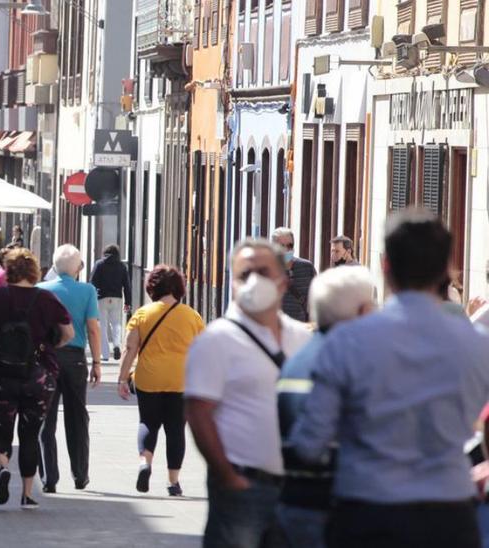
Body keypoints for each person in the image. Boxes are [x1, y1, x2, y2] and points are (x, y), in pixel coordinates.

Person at [290, 210, 489, 548]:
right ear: (445, 269)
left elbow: (310, 443)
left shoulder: (347, 342)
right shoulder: (478, 344)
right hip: (450, 511)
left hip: (368, 508)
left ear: (384, 266)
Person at [185, 238, 313, 548]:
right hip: (242, 487)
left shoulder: (303, 339)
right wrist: (227, 475)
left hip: (295, 491)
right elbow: (198, 411)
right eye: (245, 274)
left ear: (283, 281)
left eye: (264, 272)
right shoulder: (216, 340)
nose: (254, 281)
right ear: (232, 283)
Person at [271, 265, 374, 548]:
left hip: (291, 502)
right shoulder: (345, 363)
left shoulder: (297, 360)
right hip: (329, 507)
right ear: (364, 311)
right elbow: (312, 443)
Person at [0, 248, 73, 508]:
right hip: (38, 376)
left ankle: (3, 465)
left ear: (9, 270)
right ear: (34, 271)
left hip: (0, 374)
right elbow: (68, 332)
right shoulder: (46, 299)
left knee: (0, 429)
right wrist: (52, 345)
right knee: (30, 435)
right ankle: (28, 494)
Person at [114, 265, 205, 496]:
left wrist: (122, 379)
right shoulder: (192, 316)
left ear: (152, 287)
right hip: (181, 380)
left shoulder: (143, 314)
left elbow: (130, 348)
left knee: (148, 423)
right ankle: (173, 482)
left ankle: (145, 462)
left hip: (148, 378)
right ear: (179, 287)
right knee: (176, 429)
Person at [36, 244, 102, 491]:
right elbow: (93, 328)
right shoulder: (87, 291)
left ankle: (49, 478)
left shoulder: (41, 290)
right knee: (77, 417)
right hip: (75, 359)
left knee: (46, 418)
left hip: (47, 358)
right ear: (78, 268)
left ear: (54, 266)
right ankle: (80, 474)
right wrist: (96, 362)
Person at [91, 244, 133, 361]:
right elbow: (127, 285)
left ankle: (105, 354)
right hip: (117, 298)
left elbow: (92, 282)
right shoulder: (122, 266)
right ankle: (116, 345)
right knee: (116, 324)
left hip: (102, 298)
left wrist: (92, 298)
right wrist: (128, 302)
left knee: (102, 326)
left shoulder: (99, 264)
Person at [271, 227, 317, 322]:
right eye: (282, 246)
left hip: (301, 329)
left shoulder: (306, 267)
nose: (286, 249)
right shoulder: (266, 270)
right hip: (274, 331)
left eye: (290, 245)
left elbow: (317, 298)